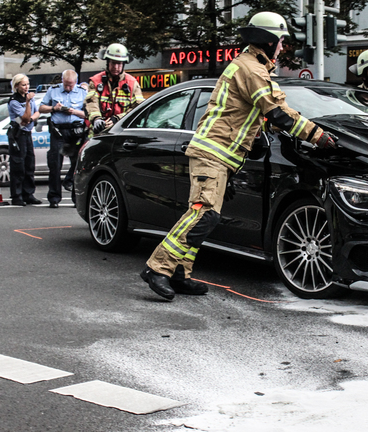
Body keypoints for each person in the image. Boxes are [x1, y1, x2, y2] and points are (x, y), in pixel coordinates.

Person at [140, 11, 338, 300]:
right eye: (281, 41)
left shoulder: (250, 66)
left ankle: (180, 273)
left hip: (220, 155)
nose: (282, 47)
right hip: (213, 152)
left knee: (205, 216)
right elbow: (278, 112)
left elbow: (253, 119)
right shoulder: (252, 70)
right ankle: (158, 268)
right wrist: (318, 136)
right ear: (269, 42)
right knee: (203, 214)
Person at [39, 70, 87, 208]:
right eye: (66, 85)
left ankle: (75, 198)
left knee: (77, 165)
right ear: (62, 80)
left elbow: (88, 114)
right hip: (58, 131)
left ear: (76, 82)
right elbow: (41, 108)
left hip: (75, 131)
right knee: (54, 164)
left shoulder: (82, 92)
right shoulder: (53, 90)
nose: (68, 88)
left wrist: (74, 111)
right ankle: (54, 198)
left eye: (71, 85)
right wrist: (54, 108)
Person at [85, 43, 144, 135]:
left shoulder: (132, 83)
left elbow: (138, 108)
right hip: (98, 133)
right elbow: (91, 103)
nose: (116, 67)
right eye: (113, 63)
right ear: (107, 62)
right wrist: (96, 119)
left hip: (121, 133)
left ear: (124, 64)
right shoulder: (96, 81)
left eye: (119, 63)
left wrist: (117, 119)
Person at [7, 74, 41, 206]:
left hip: (27, 133)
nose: (27, 87)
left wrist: (31, 118)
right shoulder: (14, 101)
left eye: (27, 84)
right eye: (23, 85)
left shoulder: (30, 98)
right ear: (16, 86)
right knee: (18, 165)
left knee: (29, 164)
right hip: (18, 134)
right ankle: (17, 195)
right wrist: (27, 103)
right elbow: (25, 118)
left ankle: (28, 194)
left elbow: (36, 113)